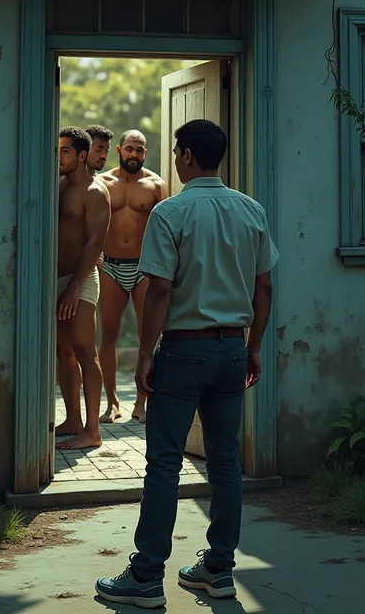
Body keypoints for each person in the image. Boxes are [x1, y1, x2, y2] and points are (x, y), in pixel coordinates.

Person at [95, 119, 279, 608]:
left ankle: (147, 576)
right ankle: (218, 570)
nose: (175, 158)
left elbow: (158, 288)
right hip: (232, 349)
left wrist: (147, 357)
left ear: (187, 156)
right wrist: (254, 345)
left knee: (163, 464)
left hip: (183, 348)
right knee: (224, 463)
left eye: (178, 151)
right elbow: (264, 288)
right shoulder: (251, 210)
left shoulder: (171, 212)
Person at [98, 130, 168, 424]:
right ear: (119, 149)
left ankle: (142, 401)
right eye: (129, 149)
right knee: (109, 334)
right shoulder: (102, 183)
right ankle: (112, 402)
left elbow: (168, 227)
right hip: (110, 267)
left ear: (145, 153)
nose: (134, 155)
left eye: (139, 150)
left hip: (143, 268)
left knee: (146, 336)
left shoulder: (156, 185)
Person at [56, 126, 111, 450]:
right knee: (63, 352)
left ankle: (92, 431)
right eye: (57, 150)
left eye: (65, 151)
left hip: (82, 278)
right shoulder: (58, 184)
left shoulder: (94, 191)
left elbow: (95, 242)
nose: (59, 156)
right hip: (56, 280)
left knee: (83, 350)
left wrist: (74, 287)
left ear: (80, 155)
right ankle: (73, 419)